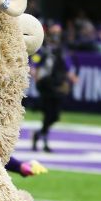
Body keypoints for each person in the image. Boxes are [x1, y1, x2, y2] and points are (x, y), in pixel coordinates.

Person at [30, 25, 77, 153]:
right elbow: (35, 62)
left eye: (58, 32)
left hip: (57, 85)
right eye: (54, 32)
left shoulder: (62, 50)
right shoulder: (44, 49)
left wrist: (71, 78)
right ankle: (44, 141)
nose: (56, 35)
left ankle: (39, 134)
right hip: (46, 85)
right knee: (48, 113)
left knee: (54, 116)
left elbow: (68, 66)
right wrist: (35, 72)